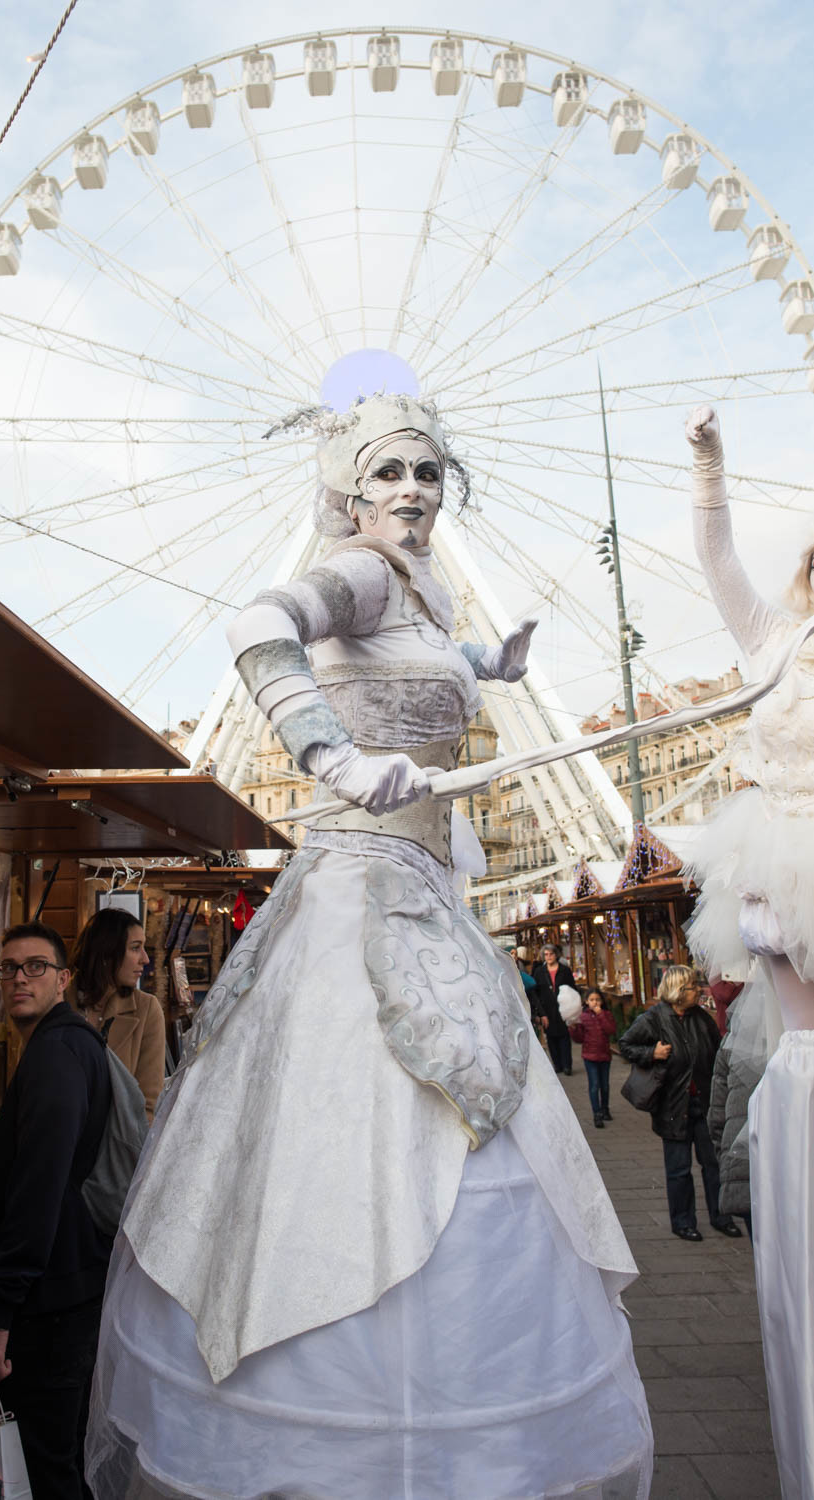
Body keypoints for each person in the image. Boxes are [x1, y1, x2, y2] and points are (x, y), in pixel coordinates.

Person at [86, 393, 652, 1500]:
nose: (410, 490)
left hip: (425, 890)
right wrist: (332, 759)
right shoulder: (353, 570)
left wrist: (492, 663)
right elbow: (258, 628)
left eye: (427, 473)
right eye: (387, 472)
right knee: (354, 1134)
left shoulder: (424, 591)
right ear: (347, 490)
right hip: (353, 888)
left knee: (465, 1126)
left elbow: (420, 659)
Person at [683, 403, 814, 1498]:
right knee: (798, 1055)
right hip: (782, 849)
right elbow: (716, 556)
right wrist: (710, 466)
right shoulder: (771, 636)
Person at [0, 921, 112, 1500]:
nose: (19, 978)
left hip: (49, 1302)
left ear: (63, 979)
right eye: (9, 968)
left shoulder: (56, 1052)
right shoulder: (67, 1044)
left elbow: (38, 1189)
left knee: (49, 1467)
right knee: (64, 1460)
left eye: (35, 967)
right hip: (68, 1287)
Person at [618, 965, 742, 1243]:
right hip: (674, 1106)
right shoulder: (654, 1018)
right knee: (678, 1168)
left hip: (705, 1103)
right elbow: (626, 1045)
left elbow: (718, 1052)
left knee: (713, 1164)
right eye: (692, 987)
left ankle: (721, 1216)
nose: (698, 991)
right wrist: (653, 1052)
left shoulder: (701, 1018)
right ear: (677, 991)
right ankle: (683, 1222)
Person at [70, 907, 166, 1120]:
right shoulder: (60, 1003)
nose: (145, 959)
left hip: (117, 1146)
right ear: (106, 953)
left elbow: (148, 1104)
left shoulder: (146, 1009)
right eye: (135, 948)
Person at [569, 988, 617, 1128]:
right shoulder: (583, 1017)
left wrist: (600, 1014)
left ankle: (605, 1109)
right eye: (592, 1000)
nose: (595, 1002)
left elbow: (611, 1030)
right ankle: (597, 1113)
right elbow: (579, 1039)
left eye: (597, 999)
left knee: (605, 1085)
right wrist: (573, 1029)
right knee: (594, 1085)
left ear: (601, 1001)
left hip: (604, 1055)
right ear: (586, 1002)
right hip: (590, 1056)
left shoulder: (606, 1014)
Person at [532, 942, 576, 1073]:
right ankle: (557, 1064)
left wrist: (573, 1010)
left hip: (563, 1008)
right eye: (546, 954)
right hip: (547, 1010)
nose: (549, 956)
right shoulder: (539, 972)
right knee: (551, 1038)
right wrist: (541, 1013)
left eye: (551, 954)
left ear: (556, 955)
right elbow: (536, 994)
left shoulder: (565, 970)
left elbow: (572, 988)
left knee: (564, 1037)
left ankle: (567, 1065)